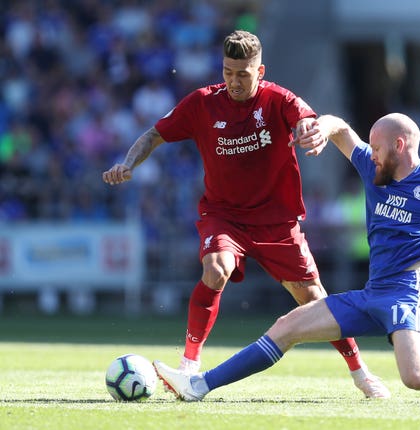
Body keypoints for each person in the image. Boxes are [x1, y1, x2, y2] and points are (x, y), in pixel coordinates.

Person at [153, 112, 420, 403]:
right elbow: (341, 128)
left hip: (407, 292)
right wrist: (320, 128)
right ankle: (199, 386)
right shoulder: (371, 167)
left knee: (419, 377)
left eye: (376, 148)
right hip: (372, 291)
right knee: (287, 326)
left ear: (399, 145)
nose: (369, 155)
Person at [102, 30, 389, 399]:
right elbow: (153, 135)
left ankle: (361, 374)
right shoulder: (202, 103)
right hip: (224, 216)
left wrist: (308, 129)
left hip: (276, 221)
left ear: (260, 70)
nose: (234, 82)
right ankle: (188, 368)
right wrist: (128, 163)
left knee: (314, 299)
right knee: (215, 268)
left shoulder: (278, 99)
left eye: (243, 74)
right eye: (227, 72)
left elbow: (305, 117)